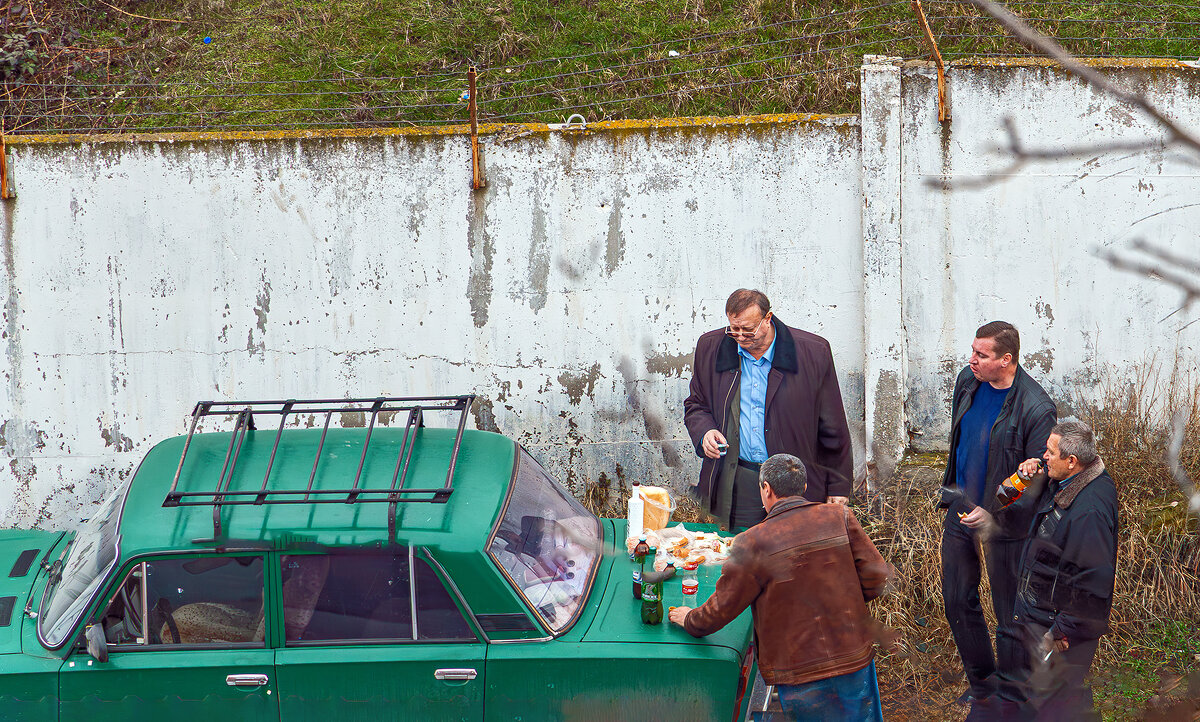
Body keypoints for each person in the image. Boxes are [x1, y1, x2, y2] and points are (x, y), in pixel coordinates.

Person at [668, 454, 890, 721]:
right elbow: (877, 578)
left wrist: (689, 619)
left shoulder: (752, 541)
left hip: (798, 669)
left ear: (766, 489)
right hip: (853, 654)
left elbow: (721, 609)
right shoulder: (839, 516)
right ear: (804, 487)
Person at [938, 321, 1057, 713]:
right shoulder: (967, 382)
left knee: (1011, 615)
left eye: (982, 354)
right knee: (957, 599)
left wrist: (994, 512)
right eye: (972, 350)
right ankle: (983, 685)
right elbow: (961, 442)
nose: (971, 360)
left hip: (1006, 524)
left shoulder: (1036, 407)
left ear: (1006, 360)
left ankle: (1013, 695)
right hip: (961, 509)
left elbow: (1038, 479)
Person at [683, 289, 853, 530]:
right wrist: (705, 432)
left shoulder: (813, 352)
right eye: (734, 329)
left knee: (793, 554)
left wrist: (838, 485)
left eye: (748, 329)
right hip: (741, 478)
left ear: (768, 318)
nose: (740, 337)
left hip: (793, 481)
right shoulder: (711, 347)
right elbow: (696, 404)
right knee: (743, 554)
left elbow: (832, 425)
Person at [995, 420, 1117, 720]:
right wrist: (1020, 480)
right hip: (1039, 619)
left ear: (1072, 461)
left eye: (1050, 452)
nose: (1043, 456)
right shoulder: (1059, 483)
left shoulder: (1089, 511)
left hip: (1058, 632)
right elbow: (1002, 508)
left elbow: (1093, 582)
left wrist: (1062, 632)